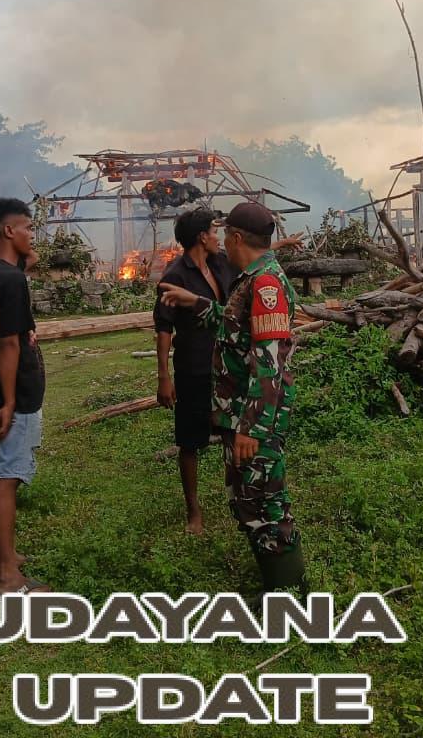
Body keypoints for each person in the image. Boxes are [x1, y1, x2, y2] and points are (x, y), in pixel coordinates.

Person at [158, 201, 306, 593]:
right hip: (239, 414)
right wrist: (198, 303)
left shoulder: (267, 285)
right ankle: (275, 580)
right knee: (248, 499)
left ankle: (286, 590)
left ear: (238, 238)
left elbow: (269, 365)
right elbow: (237, 325)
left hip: (253, 418)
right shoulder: (252, 279)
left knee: (265, 501)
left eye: (226, 235)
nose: (222, 241)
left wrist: (250, 429)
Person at [0, 197, 48, 594]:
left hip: (7, 381)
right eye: (27, 227)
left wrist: (8, 233)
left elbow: (28, 259)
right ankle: (7, 575)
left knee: (10, 470)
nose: (32, 234)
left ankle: (9, 554)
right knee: (7, 475)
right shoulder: (13, 279)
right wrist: (8, 402)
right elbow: (8, 345)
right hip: (16, 385)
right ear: (8, 231)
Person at [154, 208, 237, 535]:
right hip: (193, 366)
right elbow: (163, 329)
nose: (218, 236)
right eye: (215, 231)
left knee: (232, 430)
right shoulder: (174, 276)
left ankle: (239, 496)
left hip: (227, 364)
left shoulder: (219, 264)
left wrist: (280, 245)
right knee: (190, 441)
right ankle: (194, 511)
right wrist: (163, 377)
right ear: (202, 236)